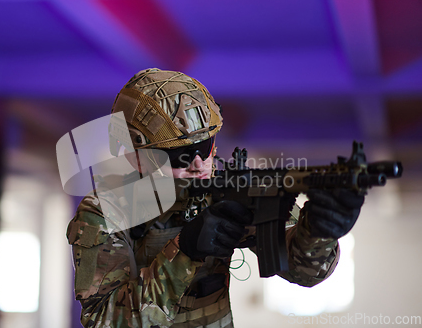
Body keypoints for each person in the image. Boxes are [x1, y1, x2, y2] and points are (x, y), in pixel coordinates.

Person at [66, 68, 365, 327]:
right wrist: (184, 251)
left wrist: (319, 232)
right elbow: (103, 320)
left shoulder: (227, 189)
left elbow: (306, 272)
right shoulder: (106, 212)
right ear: (135, 156)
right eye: (180, 155)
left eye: (205, 147)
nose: (198, 164)